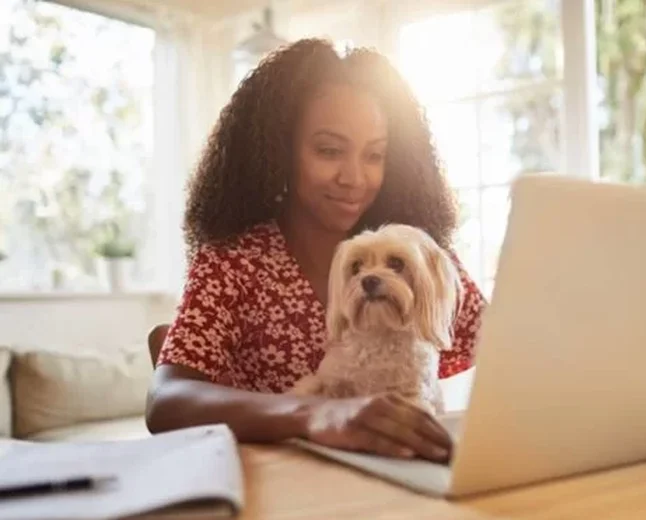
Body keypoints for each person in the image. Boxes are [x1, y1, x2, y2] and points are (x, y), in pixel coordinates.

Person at [145, 38, 486, 463]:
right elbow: (166, 400)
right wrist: (314, 413)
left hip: (399, 481)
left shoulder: (421, 258)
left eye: (375, 155)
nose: (354, 177)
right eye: (329, 150)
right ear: (278, 150)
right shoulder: (233, 262)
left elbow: (506, 345)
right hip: (280, 483)